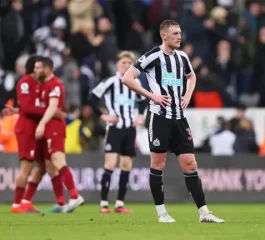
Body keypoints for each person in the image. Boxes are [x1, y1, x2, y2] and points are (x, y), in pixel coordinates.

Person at [122, 19, 224, 223]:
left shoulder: (183, 57)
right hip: (159, 117)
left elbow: (191, 77)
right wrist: (152, 96)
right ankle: (161, 213)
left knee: (190, 164)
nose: (179, 37)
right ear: (164, 35)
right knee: (158, 164)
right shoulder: (152, 56)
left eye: (180, 33)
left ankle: (204, 213)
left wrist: (187, 95)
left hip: (179, 118)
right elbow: (127, 78)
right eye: (175, 33)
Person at [6, 55, 66, 213]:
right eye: (39, 67)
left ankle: (26, 201)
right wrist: (53, 113)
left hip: (38, 130)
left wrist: (16, 110)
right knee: (26, 167)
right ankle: (16, 205)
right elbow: (27, 108)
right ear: (33, 68)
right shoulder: (25, 82)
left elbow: (31, 107)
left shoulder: (40, 84)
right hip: (26, 130)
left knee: (42, 166)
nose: (42, 70)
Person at [89, 51, 146, 213]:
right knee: (110, 165)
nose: (127, 66)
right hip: (114, 129)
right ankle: (104, 204)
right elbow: (92, 98)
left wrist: (140, 116)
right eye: (124, 63)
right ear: (117, 65)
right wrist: (104, 115)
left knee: (127, 165)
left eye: (130, 63)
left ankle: (120, 204)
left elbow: (142, 102)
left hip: (130, 129)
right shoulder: (110, 82)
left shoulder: (135, 83)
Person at [34, 57, 84, 212]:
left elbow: (53, 107)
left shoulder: (55, 84)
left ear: (47, 68)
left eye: (38, 68)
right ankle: (61, 203)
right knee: (50, 166)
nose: (36, 71)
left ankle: (75, 196)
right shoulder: (44, 85)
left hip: (55, 127)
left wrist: (41, 123)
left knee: (58, 159)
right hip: (49, 126)